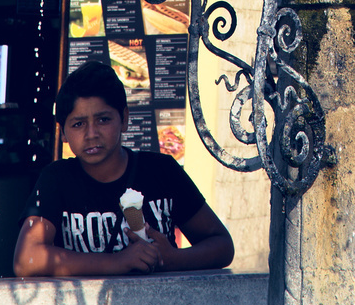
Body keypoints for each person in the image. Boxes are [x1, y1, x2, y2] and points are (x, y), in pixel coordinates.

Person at [14, 62, 234, 278]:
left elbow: (222, 245)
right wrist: (117, 262)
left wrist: (174, 259)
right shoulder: (56, 179)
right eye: (78, 124)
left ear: (124, 119)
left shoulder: (162, 171)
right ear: (63, 132)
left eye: (103, 120)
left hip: (161, 300)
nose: (91, 134)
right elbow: (26, 260)